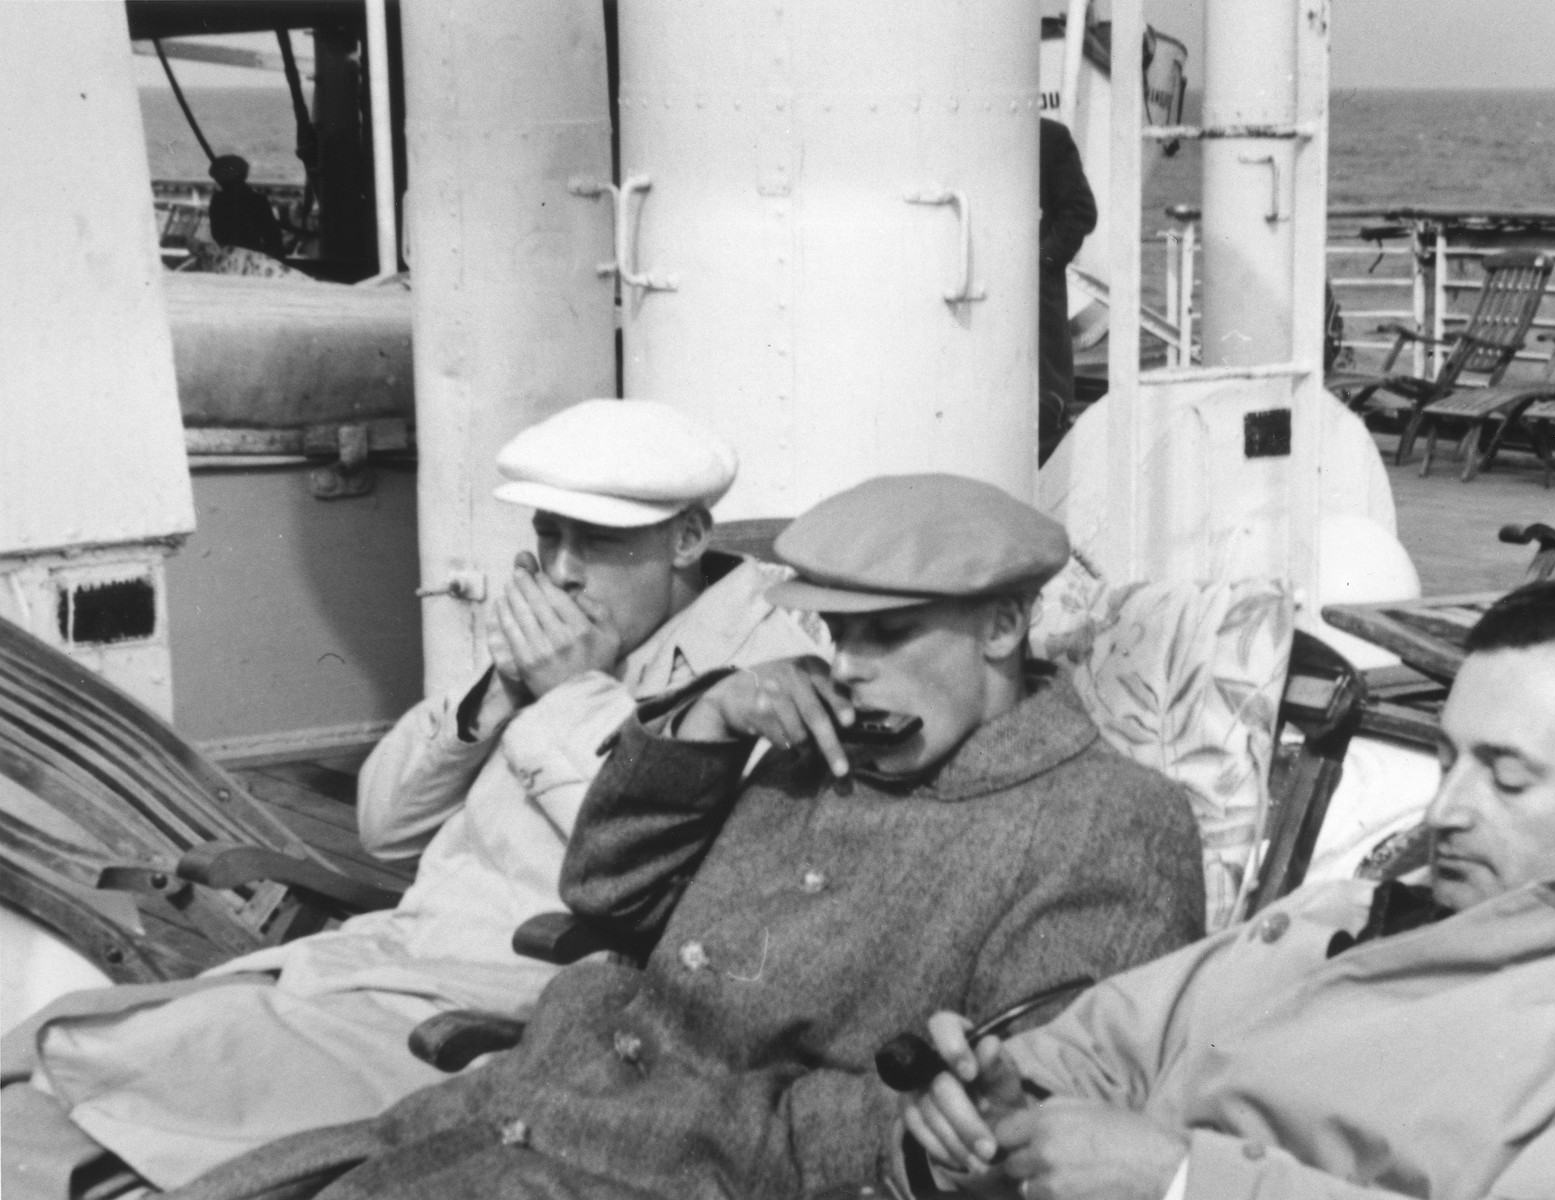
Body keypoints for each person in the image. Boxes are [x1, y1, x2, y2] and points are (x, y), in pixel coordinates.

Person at [164, 473, 1207, 1200]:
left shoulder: (1106, 823)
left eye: (887, 633)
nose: (847, 667)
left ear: (1000, 627)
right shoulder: (815, 741)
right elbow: (608, 898)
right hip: (549, 1095)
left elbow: (1022, 1123)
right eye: (837, 634)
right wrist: (704, 724)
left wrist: (727, 1118)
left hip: (699, 1169)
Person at [2, 400, 823, 1195]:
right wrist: (498, 697)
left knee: (81, 1115)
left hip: (493, 1018)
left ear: (688, 536)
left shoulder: (765, 683)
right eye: (548, 534)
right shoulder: (565, 647)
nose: (563, 571)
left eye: (599, 542)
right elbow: (384, 829)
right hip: (375, 958)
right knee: (45, 1065)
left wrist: (570, 693)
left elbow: (682, 891)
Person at [903, 581, 1555, 1200]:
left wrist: (1180, 1182)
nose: (1444, 810)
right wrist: (998, 1125)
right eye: (1445, 760)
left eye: (1506, 780)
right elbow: (1097, 1054)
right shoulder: (1337, 915)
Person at [1038, 118, 1096, 462]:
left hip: (1038, 294)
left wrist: (1042, 260)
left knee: (1048, 399)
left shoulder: (1050, 138)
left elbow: (1080, 211)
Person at [205, 155, 288, 260]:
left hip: (226, 256)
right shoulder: (258, 200)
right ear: (244, 175)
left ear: (219, 180)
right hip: (252, 255)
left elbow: (217, 234)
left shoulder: (217, 200)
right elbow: (272, 237)